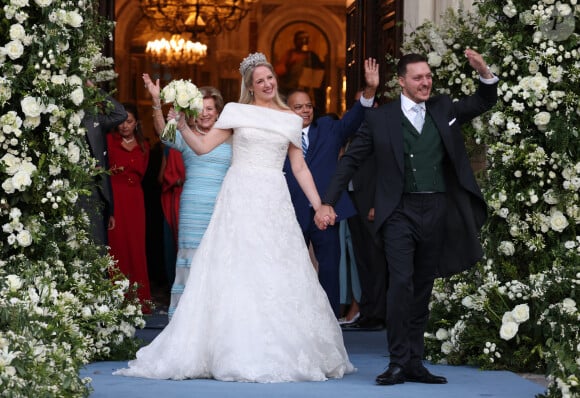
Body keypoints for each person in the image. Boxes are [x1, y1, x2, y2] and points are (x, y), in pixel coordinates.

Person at [114, 52, 353, 382]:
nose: (267, 84)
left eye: (270, 78)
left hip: (273, 196)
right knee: (235, 267)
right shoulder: (236, 112)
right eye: (260, 81)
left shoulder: (289, 119)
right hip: (239, 194)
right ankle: (228, 347)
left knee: (276, 268)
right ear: (250, 87)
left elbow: (299, 167)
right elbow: (201, 146)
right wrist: (182, 124)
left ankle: (281, 347)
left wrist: (320, 205)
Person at [315, 48, 498, 385]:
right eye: (418, 78)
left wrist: (484, 71)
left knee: (422, 288)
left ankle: (415, 361)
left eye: (428, 76)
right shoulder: (380, 119)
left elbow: (483, 101)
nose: (426, 82)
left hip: (437, 209)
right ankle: (398, 361)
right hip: (398, 211)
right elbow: (351, 161)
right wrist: (328, 202)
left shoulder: (444, 108)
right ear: (402, 82)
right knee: (401, 283)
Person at [282, 57, 379, 316]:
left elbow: (354, 120)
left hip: (325, 211)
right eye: (298, 107)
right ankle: (290, 318)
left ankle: (330, 320)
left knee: (329, 267)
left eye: (309, 106)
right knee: (288, 268)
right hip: (288, 211)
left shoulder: (327, 128)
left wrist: (369, 90)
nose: (305, 111)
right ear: (286, 110)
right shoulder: (277, 136)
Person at [143, 75, 232, 319]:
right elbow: (163, 133)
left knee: (218, 263)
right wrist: (155, 101)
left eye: (210, 109)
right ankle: (184, 323)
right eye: (201, 109)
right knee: (191, 262)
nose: (205, 114)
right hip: (192, 206)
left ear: (218, 111)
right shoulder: (185, 135)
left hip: (222, 208)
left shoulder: (231, 137)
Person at [107, 102, 151, 311]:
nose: (125, 126)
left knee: (136, 247)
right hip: (116, 197)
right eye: (122, 121)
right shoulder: (108, 141)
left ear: (137, 124)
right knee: (117, 247)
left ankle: (138, 300)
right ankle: (116, 300)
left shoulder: (144, 145)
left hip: (135, 200)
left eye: (130, 121)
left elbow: (143, 174)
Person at [80, 81, 127, 247]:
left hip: (95, 196)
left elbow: (120, 114)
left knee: (97, 252)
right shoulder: (56, 119)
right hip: (67, 196)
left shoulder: (93, 119)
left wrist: (96, 90)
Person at [275, 30, 326, 108]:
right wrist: (291, 62)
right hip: (291, 89)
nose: (304, 41)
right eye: (301, 39)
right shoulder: (289, 54)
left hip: (309, 91)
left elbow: (320, 74)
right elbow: (279, 71)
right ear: (295, 41)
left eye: (306, 38)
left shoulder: (312, 56)